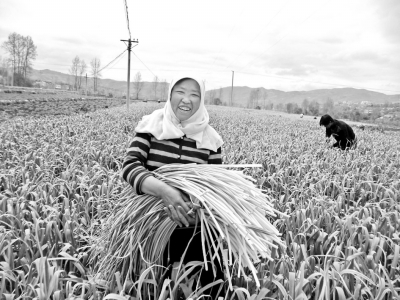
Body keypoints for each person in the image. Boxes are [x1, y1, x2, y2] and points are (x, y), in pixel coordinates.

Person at [122, 76, 225, 298]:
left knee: (208, 289)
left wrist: (198, 215)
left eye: (194, 94)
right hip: (149, 229)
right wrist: (166, 192)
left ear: (202, 100)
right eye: (180, 91)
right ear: (170, 94)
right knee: (149, 287)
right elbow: (130, 167)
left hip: (194, 231)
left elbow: (216, 192)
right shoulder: (150, 127)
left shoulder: (211, 140)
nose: (186, 99)